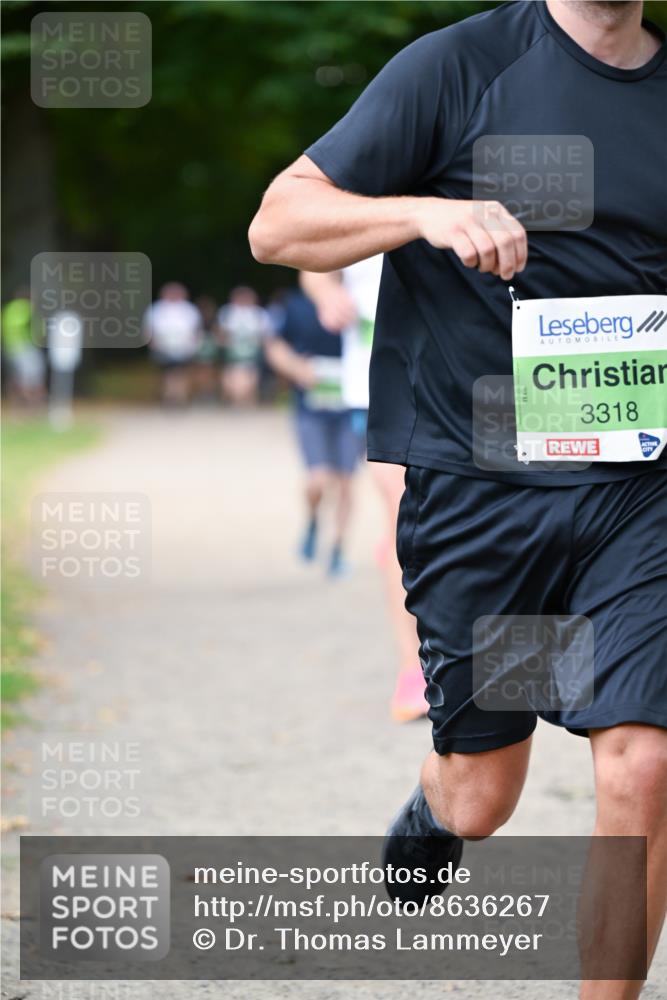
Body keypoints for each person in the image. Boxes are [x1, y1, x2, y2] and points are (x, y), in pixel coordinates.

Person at [248, 1, 667, 996]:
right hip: (480, 492)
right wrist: (420, 213)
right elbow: (277, 225)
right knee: (483, 796)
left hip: (638, 489)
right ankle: (437, 806)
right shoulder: (457, 67)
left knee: (643, 762)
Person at [301, 262, 428, 721]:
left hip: (470, 369)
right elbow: (313, 262)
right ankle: (414, 670)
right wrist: (325, 294)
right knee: (402, 515)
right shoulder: (363, 203)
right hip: (379, 380)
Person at [264, 288, 359, 577]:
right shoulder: (297, 304)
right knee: (317, 479)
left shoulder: (362, 296)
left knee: (346, 482)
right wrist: (295, 368)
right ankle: (313, 520)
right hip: (310, 409)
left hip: (352, 409)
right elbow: (274, 344)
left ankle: (338, 550)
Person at [144, 282, 202, 405]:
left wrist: (193, 345)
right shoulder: (157, 309)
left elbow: (196, 330)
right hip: (162, 347)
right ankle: (169, 397)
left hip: (184, 348)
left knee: (181, 373)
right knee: (168, 373)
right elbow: (148, 329)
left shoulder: (189, 309)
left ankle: (180, 397)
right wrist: (152, 342)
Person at [217, 286, 273, 407]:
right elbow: (221, 332)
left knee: (251, 375)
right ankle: (234, 399)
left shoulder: (259, 313)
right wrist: (224, 343)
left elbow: (265, 334)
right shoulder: (228, 312)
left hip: (252, 350)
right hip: (233, 350)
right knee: (232, 374)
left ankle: (248, 400)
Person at [1, 288, 46, 407]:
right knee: (33, 377)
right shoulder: (28, 309)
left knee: (16, 377)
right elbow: (38, 329)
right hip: (26, 347)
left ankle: (16, 404)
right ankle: (33, 403)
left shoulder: (8, 309)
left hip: (9, 348)